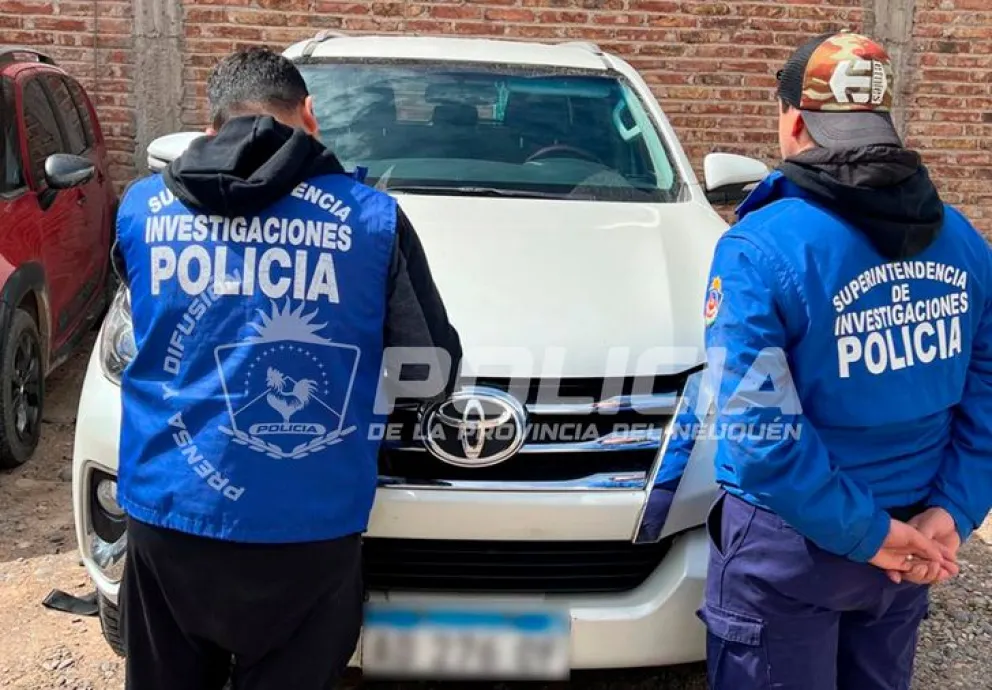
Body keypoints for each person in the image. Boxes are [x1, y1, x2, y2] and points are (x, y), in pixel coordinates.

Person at [112, 47, 462, 690]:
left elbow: (147, 328)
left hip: (168, 514)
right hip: (310, 528)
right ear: (309, 115)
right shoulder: (372, 218)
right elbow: (431, 368)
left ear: (211, 125)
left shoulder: (140, 208)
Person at [697, 30, 992, 689]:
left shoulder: (759, 246)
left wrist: (867, 533)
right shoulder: (964, 240)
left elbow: (759, 434)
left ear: (795, 121)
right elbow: (988, 386)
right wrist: (951, 511)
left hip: (792, 549)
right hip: (912, 536)